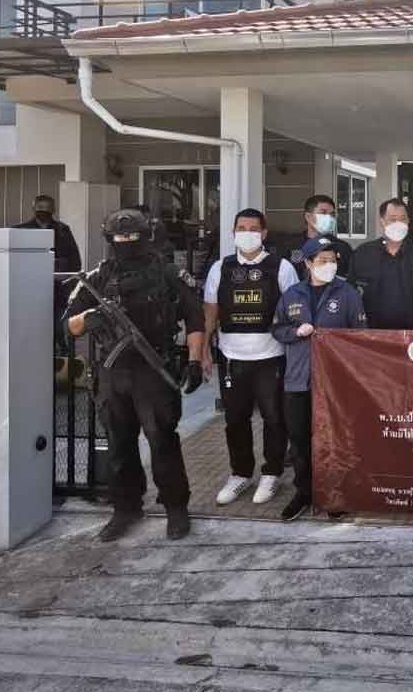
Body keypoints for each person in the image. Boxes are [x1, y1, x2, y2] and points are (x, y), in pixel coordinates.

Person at [66, 208, 206, 541]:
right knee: (119, 445)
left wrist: (195, 361)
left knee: (162, 442)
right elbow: (69, 325)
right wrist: (91, 317)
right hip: (113, 373)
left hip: (154, 369)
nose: (126, 243)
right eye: (120, 239)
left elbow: (194, 319)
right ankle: (125, 508)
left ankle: (175, 508)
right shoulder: (98, 278)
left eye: (133, 238)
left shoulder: (167, 273)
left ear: (146, 237)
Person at [202, 208, 299, 507]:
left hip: (271, 356)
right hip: (232, 356)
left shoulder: (281, 268)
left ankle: (271, 473)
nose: (247, 232)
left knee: (274, 418)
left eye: (253, 228)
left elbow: (294, 312)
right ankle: (240, 473)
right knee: (235, 420)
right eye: (241, 227)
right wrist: (204, 350)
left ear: (264, 233)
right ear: (233, 232)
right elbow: (210, 313)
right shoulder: (220, 268)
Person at [273, 238, 366, 521]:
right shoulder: (292, 294)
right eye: (323, 260)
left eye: (333, 260)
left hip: (334, 383)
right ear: (309, 263)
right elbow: (277, 328)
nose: (329, 265)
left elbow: (361, 334)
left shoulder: (347, 293)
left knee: (334, 440)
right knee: (300, 441)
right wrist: (295, 333)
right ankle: (304, 492)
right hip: (298, 380)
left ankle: (334, 493)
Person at [351, 197, 413, 329]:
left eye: (402, 219)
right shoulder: (363, 253)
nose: (398, 223)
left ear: (408, 221)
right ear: (382, 221)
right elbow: (351, 293)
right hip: (372, 333)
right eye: (393, 219)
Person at [291, 194, 354, 281]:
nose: (329, 217)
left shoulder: (342, 247)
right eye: (323, 212)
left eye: (332, 214)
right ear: (308, 217)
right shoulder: (294, 246)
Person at [16, 194, 83, 274]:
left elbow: (75, 258)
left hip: (58, 280)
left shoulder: (63, 229)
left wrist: (68, 277)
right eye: (40, 207)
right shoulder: (21, 230)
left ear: (53, 210)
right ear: (33, 208)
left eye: (48, 208)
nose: (44, 210)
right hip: (29, 276)